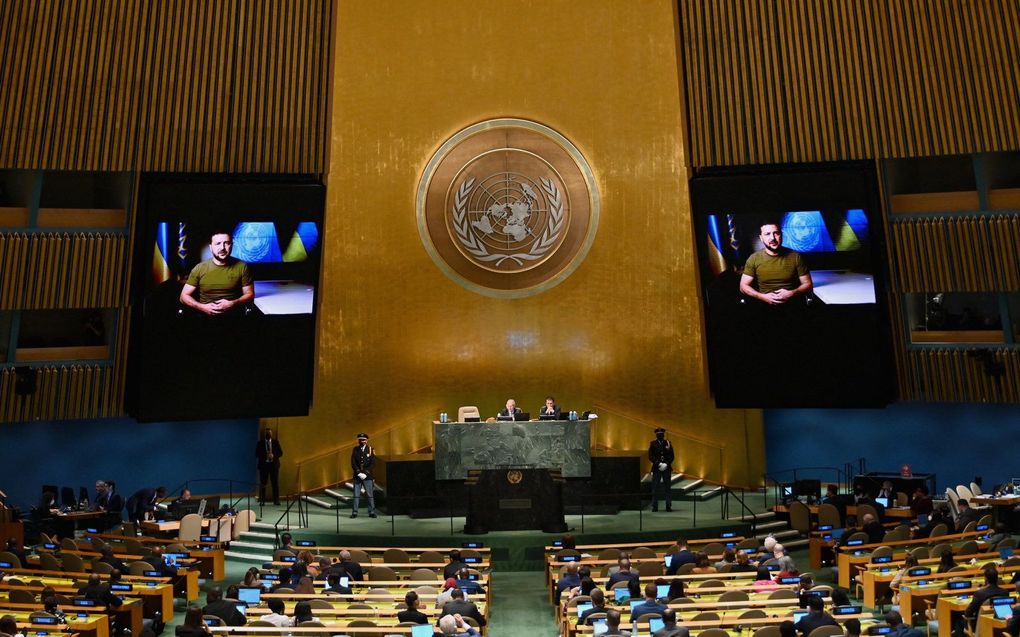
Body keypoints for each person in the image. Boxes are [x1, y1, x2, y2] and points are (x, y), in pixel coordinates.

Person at [179, 230, 254, 316]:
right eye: (218, 243)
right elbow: (183, 297)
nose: (222, 247)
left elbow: (250, 294)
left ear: (231, 245)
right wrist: (202, 307)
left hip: (233, 316)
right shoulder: (199, 268)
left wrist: (233, 303)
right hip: (204, 316)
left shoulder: (242, 266)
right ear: (211, 247)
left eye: (226, 243)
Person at [739, 221, 813, 305]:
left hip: (791, 305)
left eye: (776, 233)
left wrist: (792, 293)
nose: (772, 238)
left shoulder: (796, 256)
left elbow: (808, 284)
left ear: (781, 235)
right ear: (761, 237)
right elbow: (743, 286)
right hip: (764, 305)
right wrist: (762, 296)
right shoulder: (754, 258)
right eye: (767, 234)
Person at [648, 427, 675, 513]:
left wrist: (666, 464)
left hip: (666, 468)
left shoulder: (668, 443)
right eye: (658, 434)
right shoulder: (653, 443)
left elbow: (672, 456)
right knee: (655, 487)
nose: (660, 435)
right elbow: (650, 456)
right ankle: (655, 506)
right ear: (656, 434)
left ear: (663, 434)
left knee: (667, 487)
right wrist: (658, 464)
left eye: (661, 433)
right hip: (657, 468)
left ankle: (668, 505)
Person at [350, 432, 376, 518]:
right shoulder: (355, 449)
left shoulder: (370, 449)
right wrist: (358, 472)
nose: (362, 441)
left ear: (367, 440)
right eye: (360, 440)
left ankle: (371, 512)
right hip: (357, 476)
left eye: (363, 440)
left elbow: (373, 463)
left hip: (367, 476)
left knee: (369, 494)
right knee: (356, 495)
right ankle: (354, 512)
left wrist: (365, 473)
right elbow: (353, 462)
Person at [256, 428, 283, 506]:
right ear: (265, 434)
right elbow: (257, 454)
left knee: (275, 483)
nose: (268, 434)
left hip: (274, 466)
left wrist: (273, 455)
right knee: (263, 484)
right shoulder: (260, 443)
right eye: (267, 433)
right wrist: (265, 455)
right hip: (263, 466)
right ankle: (262, 501)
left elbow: (281, 453)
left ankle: (276, 500)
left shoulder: (275, 442)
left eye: (269, 433)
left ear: (271, 434)